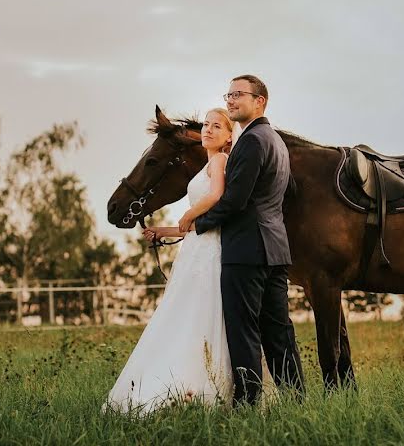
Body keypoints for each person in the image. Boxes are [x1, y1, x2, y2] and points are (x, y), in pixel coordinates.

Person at [104, 108, 235, 414]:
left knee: (203, 315)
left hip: (210, 251)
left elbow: (215, 197)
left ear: (229, 137)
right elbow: (200, 221)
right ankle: (179, 382)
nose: (209, 130)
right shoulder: (204, 166)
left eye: (217, 127)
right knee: (184, 316)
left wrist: (188, 214)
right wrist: (162, 231)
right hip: (196, 247)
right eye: (206, 126)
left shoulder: (219, 161)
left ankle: (205, 388)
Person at [193, 74, 305, 407]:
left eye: (238, 94)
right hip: (275, 248)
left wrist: (197, 223)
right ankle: (296, 399)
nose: (230, 99)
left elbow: (235, 201)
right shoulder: (276, 141)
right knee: (279, 333)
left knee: (244, 332)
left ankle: (246, 403)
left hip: (246, 250)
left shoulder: (253, 141)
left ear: (260, 101)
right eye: (228, 94)